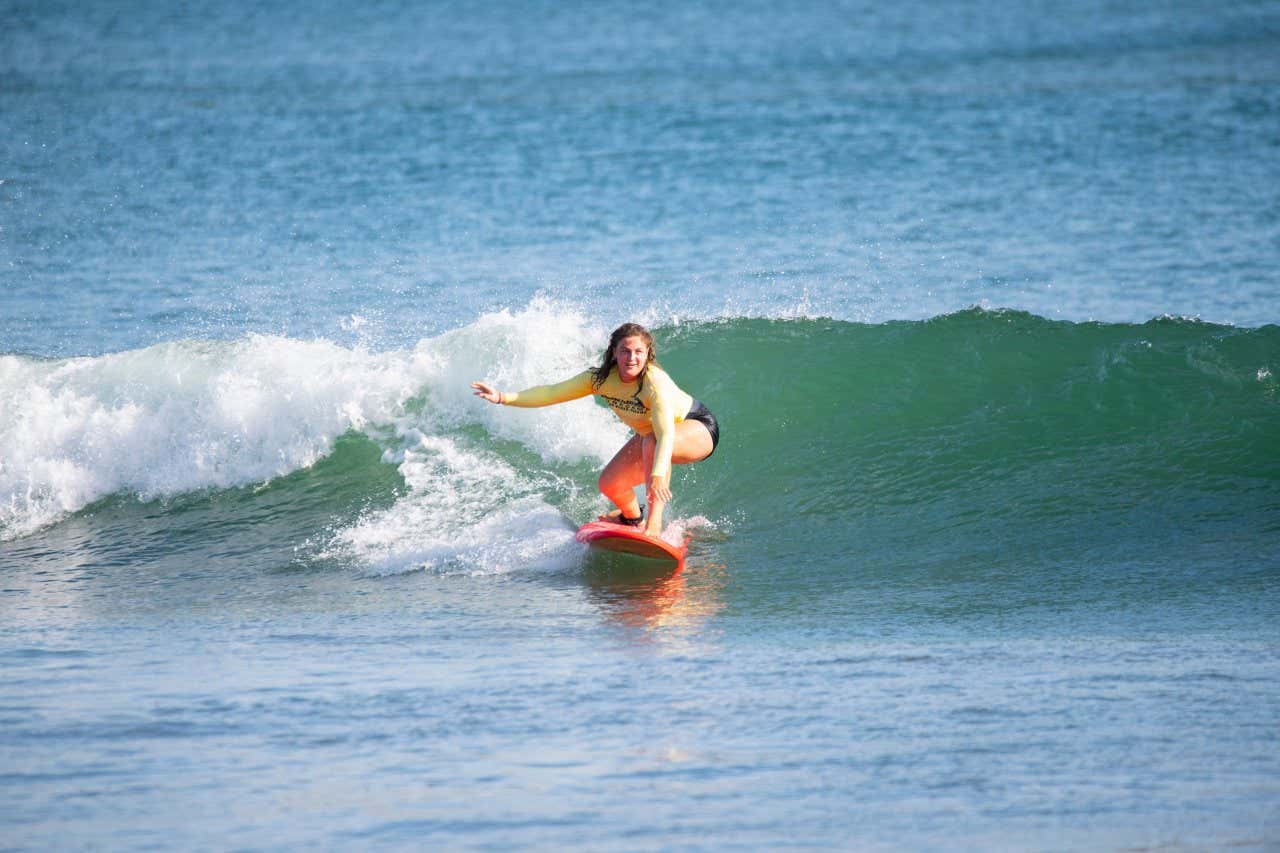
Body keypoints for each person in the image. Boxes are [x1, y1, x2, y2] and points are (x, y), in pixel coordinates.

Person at [471, 322, 719, 539]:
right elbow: (551, 393)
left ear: (648, 354)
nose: (632, 358)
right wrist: (504, 397)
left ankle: (654, 525)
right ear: (614, 353)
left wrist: (656, 475)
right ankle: (633, 519)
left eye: (638, 352)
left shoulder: (654, 383)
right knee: (610, 484)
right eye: (625, 351)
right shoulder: (599, 379)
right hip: (652, 437)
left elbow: (664, 434)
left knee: (652, 441)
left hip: (697, 428)